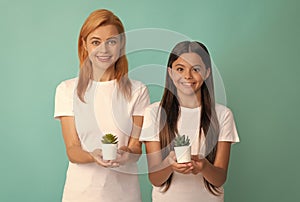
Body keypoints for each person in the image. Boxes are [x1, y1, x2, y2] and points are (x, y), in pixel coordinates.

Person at [54, 9, 150, 202]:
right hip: (80, 193)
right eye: (96, 42)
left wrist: (125, 154)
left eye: (112, 41)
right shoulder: (67, 89)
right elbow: (72, 149)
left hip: (124, 195)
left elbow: (136, 148)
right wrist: (92, 156)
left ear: (121, 45)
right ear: (85, 45)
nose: (104, 50)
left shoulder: (137, 91)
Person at [140, 41, 239, 202]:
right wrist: (169, 164)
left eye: (196, 69)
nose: (187, 76)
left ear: (206, 73)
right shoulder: (154, 113)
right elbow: (155, 179)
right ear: (171, 73)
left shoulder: (222, 115)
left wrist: (204, 166)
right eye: (180, 69)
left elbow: (220, 179)